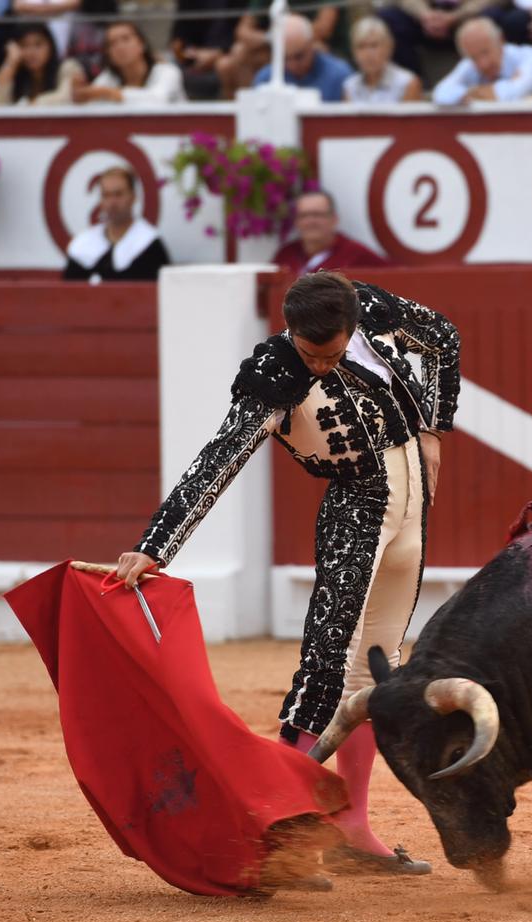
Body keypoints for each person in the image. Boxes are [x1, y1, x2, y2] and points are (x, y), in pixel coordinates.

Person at [114, 272, 461, 875]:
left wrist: (432, 427)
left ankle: (351, 823)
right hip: (355, 512)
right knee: (324, 673)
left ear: (351, 328)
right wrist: (156, 546)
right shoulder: (275, 375)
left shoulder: (369, 309)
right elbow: (218, 460)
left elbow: (443, 338)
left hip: (411, 516)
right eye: (309, 353)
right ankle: (271, 828)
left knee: (376, 671)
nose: (320, 366)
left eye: (329, 354)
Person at [217, 0, 343, 100]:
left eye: (296, 58)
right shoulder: (265, 74)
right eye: (287, 59)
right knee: (238, 52)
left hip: (318, 46)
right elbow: (242, 31)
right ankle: (244, 113)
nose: (293, 64)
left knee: (318, 47)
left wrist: (294, 33)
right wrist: (273, 38)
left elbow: (324, 29)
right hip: (274, 47)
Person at [62, 167, 170, 281]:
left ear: (133, 197)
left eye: (118, 194)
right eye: (106, 195)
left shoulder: (150, 245)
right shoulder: (83, 245)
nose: (112, 202)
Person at [375, 0, 506, 77]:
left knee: (496, 17)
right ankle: (414, 83)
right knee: (388, 18)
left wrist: (456, 16)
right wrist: (424, 14)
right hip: (424, 17)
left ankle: (488, 76)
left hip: (468, 16)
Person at [431, 16, 532, 105]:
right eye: (474, 58)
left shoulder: (530, 56)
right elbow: (440, 94)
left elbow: (512, 95)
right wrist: (479, 92)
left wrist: (469, 93)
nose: (483, 64)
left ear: (501, 40)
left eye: (485, 52)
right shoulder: (469, 63)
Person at [271, 190, 390, 274]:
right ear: (296, 221)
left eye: (318, 215)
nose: (311, 221)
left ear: (334, 219)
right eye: (304, 215)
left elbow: (395, 280)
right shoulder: (286, 254)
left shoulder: (355, 253)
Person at [72, 20, 185, 105]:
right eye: (112, 43)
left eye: (126, 39)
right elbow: (92, 104)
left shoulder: (168, 71)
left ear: (142, 44)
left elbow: (157, 100)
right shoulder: (108, 78)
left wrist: (109, 93)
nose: (120, 47)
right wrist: (81, 96)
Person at [249, 12, 352, 102]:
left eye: (299, 56)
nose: (292, 65)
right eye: (285, 58)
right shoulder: (266, 79)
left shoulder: (340, 76)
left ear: (312, 44)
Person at [0, 22, 86, 106]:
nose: (31, 52)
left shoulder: (68, 67)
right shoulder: (15, 74)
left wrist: (30, 105)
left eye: (38, 45)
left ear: (50, 46)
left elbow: (67, 97)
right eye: (24, 45)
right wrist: (10, 63)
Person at [343, 16, 421, 103]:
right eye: (361, 46)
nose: (368, 54)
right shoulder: (350, 86)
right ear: (353, 52)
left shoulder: (407, 83)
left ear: (389, 47)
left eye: (374, 45)